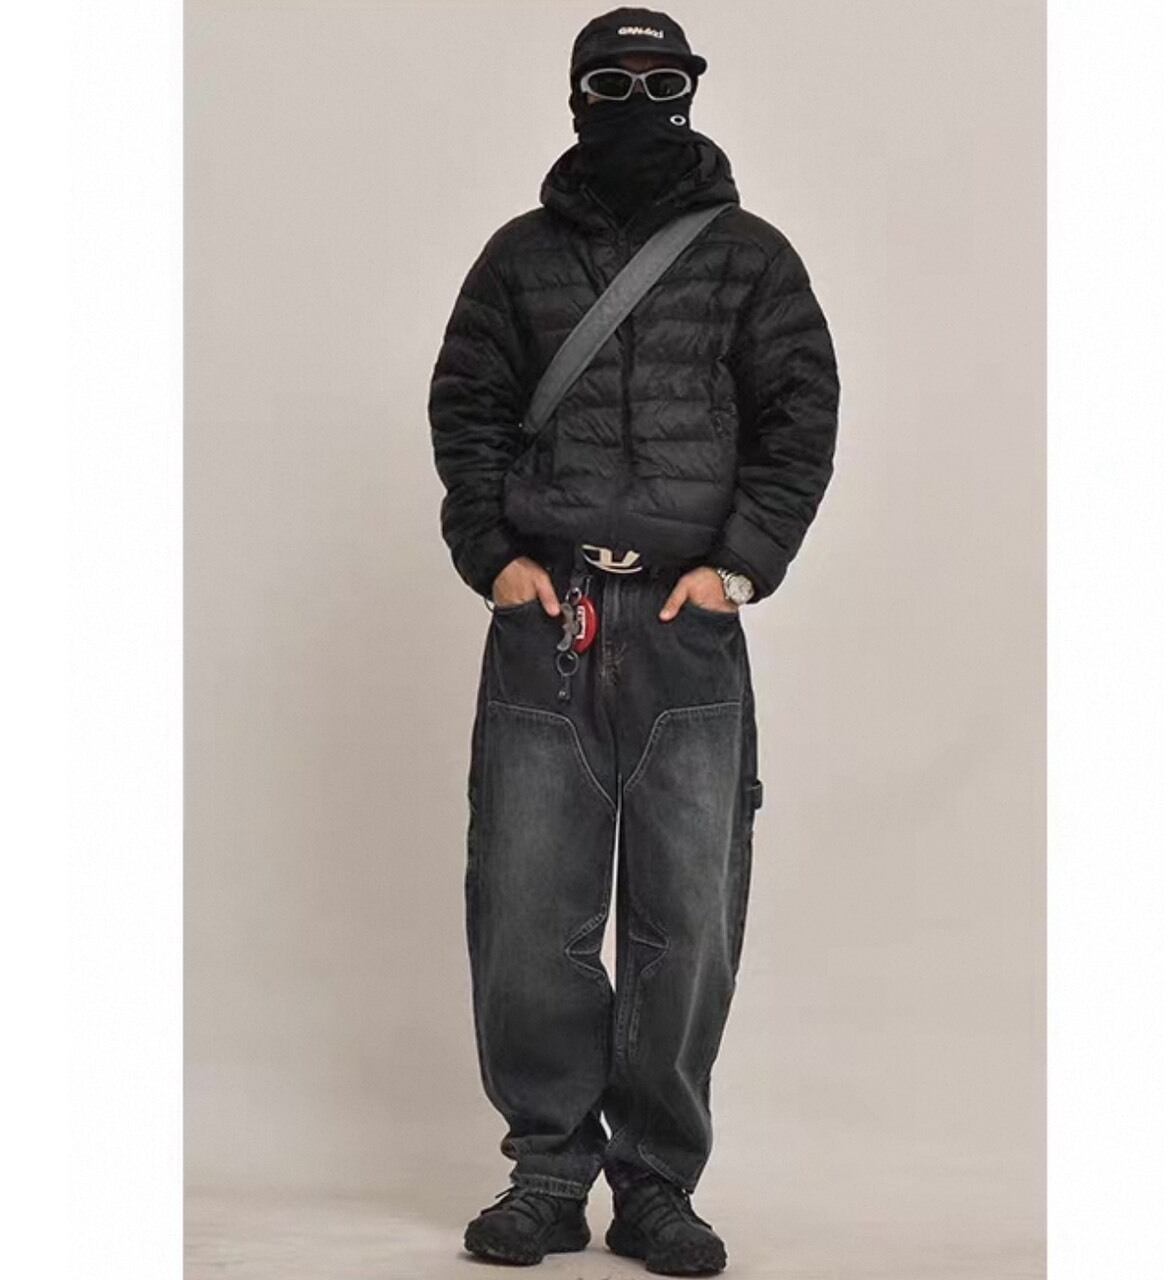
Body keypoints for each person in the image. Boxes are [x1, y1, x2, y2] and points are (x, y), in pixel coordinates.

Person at [428, 7, 840, 1274]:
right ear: (574, 97)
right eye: (610, 80)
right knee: (526, 912)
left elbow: (799, 415)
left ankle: (657, 1183)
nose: (636, 98)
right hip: (545, 620)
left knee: (686, 921)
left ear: (692, 90)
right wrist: (494, 558)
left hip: (683, 628)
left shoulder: (751, 260)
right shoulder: (516, 259)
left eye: (661, 78)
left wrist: (737, 568)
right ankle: (547, 1175)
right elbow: (467, 408)